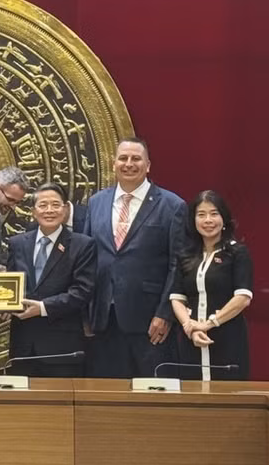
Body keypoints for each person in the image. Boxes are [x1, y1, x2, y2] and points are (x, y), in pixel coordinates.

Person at [84, 138, 187, 378]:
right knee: (107, 397)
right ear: (114, 164)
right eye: (123, 158)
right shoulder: (96, 202)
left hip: (150, 322)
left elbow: (178, 264)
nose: (129, 164)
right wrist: (86, 312)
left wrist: (165, 313)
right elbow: (87, 259)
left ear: (148, 165)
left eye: (136, 159)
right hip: (103, 320)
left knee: (152, 398)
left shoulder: (172, 205)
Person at [6, 182, 95, 377]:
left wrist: (43, 308)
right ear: (33, 211)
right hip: (23, 347)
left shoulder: (83, 245)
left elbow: (82, 292)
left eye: (55, 205)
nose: (49, 210)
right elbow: (11, 286)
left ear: (65, 209)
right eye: (43, 205)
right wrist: (2, 306)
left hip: (62, 348)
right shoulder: (17, 244)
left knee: (60, 406)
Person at [170, 191, 253, 380]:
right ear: (193, 220)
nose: (208, 220)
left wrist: (208, 324)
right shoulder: (186, 255)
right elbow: (176, 298)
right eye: (201, 214)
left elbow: (242, 298)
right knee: (192, 396)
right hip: (191, 339)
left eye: (214, 214)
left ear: (224, 218)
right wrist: (190, 327)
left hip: (226, 336)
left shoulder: (237, 252)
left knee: (227, 396)